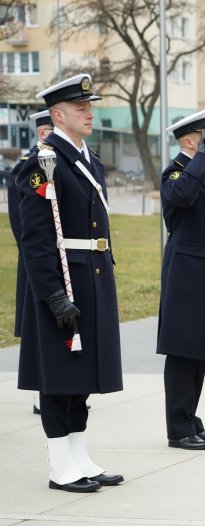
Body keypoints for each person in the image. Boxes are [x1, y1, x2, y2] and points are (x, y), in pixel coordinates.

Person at [17, 73, 124, 492]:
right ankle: (61, 465)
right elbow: (36, 238)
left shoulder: (86, 160)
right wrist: (53, 295)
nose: (89, 113)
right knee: (59, 379)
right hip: (61, 281)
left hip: (91, 276)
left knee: (82, 379)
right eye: (81, 109)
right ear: (58, 115)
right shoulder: (42, 162)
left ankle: (80, 456)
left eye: (89, 107)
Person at [158, 108, 205, 451]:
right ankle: (177, 426)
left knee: (197, 349)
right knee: (182, 350)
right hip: (186, 273)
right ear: (189, 140)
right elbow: (182, 197)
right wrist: (202, 160)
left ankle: (190, 419)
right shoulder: (175, 173)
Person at [9, 109, 54, 416]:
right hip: (36, 258)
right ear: (42, 133)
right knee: (38, 326)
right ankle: (41, 391)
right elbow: (20, 221)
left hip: (61, 256)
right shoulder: (28, 166)